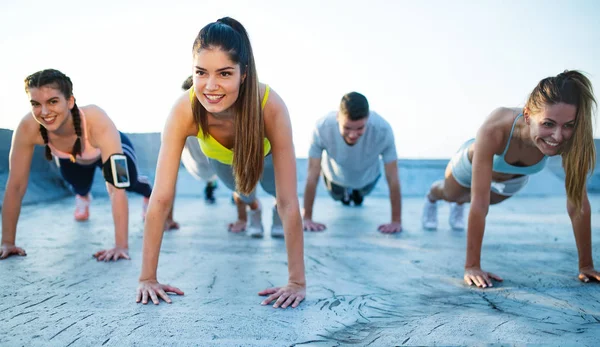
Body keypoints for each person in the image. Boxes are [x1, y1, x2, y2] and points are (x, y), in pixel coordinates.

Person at [136, 17, 306, 308]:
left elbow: (290, 202)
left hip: (265, 159)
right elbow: (161, 197)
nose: (211, 86)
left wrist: (297, 283)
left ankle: (268, 214)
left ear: (243, 74)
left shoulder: (270, 105)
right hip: (222, 162)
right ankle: (253, 210)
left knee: (278, 196)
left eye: (224, 73)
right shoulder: (184, 108)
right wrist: (147, 278)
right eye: (201, 72)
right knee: (244, 192)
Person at [421, 70, 600, 287]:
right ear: (527, 115)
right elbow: (480, 204)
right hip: (468, 166)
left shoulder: (571, 139)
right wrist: (472, 266)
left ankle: (459, 203)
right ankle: (432, 195)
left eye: (568, 126)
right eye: (548, 124)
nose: (557, 136)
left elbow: (577, 202)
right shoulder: (497, 127)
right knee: (451, 195)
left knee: (483, 199)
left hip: (513, 177)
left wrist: (586, 266)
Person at [0, 69, 178, 262]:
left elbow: (116, 188)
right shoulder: (28, 127)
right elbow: (16, 185)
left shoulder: (95, 119)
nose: (44, 112)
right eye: (36, 104)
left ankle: (147, 192)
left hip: (109, 148)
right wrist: (7, 242)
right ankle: (83, 196)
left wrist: (120, 246)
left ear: (69, 101)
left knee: (127, 182)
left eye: (52, 101)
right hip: (73, 156)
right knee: (78, 186)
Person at [302, 92, 402, 234]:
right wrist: (307, 218)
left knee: (358, 196)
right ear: (338, 117)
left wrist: (396, 221)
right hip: (335, 180)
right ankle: (346, 196)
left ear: (368, 118)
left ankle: (355, 196)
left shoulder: (383, 130)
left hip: (366, 181)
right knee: (339, 197)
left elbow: (393, 177)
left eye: (360, 128)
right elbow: (312, 174)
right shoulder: (322, 128)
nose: (353, 134)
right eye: (347, 128)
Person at [180, 76, 219, 204]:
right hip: (199, 165)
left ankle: (213, 188)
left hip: (217, 163)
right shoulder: (181, 121)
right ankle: (211, 188)